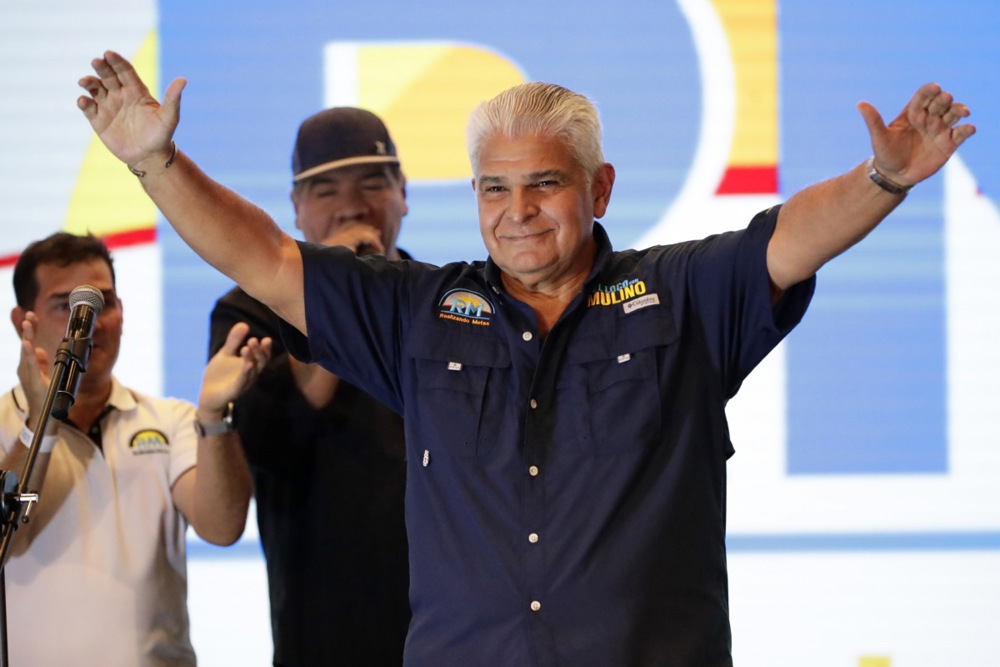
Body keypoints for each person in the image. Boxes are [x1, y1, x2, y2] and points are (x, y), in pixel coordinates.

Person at [77, 50, 975, 666]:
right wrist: (157, 163)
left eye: (545, 183)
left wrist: (883, 180)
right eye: (495, 188)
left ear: (599, 188)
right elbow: (264, 257)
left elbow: (788, 240)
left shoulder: (681, 296)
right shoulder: (418, 313)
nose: (519, 211)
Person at [0, 231, 272, 667]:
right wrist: (40, 423)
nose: (90, 324)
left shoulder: (171, 419)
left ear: (122, 312)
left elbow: (221, 528)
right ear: (22, 322)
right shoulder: (4, 423)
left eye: (102, 303)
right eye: (67, 306)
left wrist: (213, 416)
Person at [208, 107, 411, 666]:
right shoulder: (247, 313)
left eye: (372, 183)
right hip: (319, 626)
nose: (352, 206)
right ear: (296, 209)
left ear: (403, 194)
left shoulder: (439, 301)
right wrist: (337, 283)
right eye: (326, 191)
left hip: (449, 631)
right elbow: (268, 444)